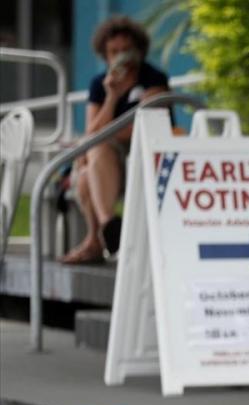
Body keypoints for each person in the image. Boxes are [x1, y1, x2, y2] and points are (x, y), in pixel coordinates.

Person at [61, 16, 169, 264]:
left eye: (126, 50)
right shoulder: (100, 84)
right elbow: (92, 133)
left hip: (143, 157)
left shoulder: (153, 78)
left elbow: (142, 128)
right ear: (105, 54)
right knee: (89, 166)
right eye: (114, 51)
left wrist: (102, 136)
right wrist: (112, 97)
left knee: (94, 154)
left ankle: (97, 239)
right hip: (109, 163)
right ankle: (107, 226)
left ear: (138, 50)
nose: (121, 56)